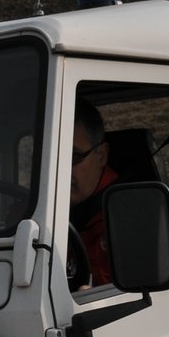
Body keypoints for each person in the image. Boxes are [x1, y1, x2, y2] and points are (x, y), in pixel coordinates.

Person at [68, 101, 118, 287]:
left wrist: (96, 299)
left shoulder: (128, 218)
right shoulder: (33, 214)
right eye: (48, 157)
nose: (59, 169)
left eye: (74, 156)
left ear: (101, 156)